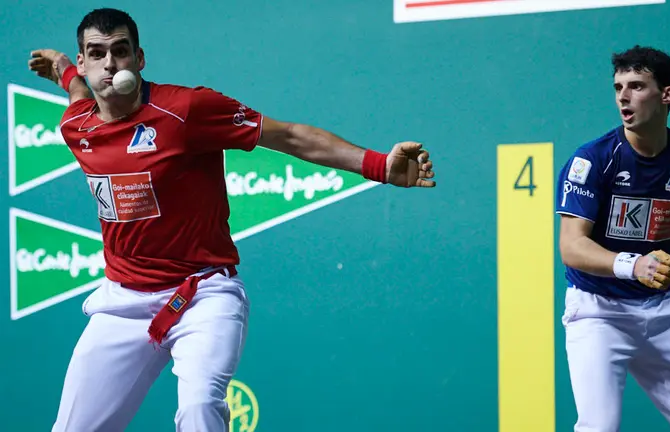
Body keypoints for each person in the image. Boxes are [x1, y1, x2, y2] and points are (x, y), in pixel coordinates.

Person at [28, 8, 436, 432]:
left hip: (203, 295)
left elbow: (288, 136)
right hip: (123, 304)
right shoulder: (76, 124)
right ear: (85, 61)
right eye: (97, 54)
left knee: (199, 408)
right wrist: (63, 69)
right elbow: (78, 91)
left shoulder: (186, 110)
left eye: (121, 51)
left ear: (140, 58)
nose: (110, 64)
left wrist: (378, 165)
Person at [555, 45, 670, 432]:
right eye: (618, 87)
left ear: (667, 94)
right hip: (598, 313)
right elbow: (572, 247)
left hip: (661, 315)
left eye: (637, 86)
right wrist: (634, 265)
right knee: (599, 426)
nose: (623, 97)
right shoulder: (593, 160)